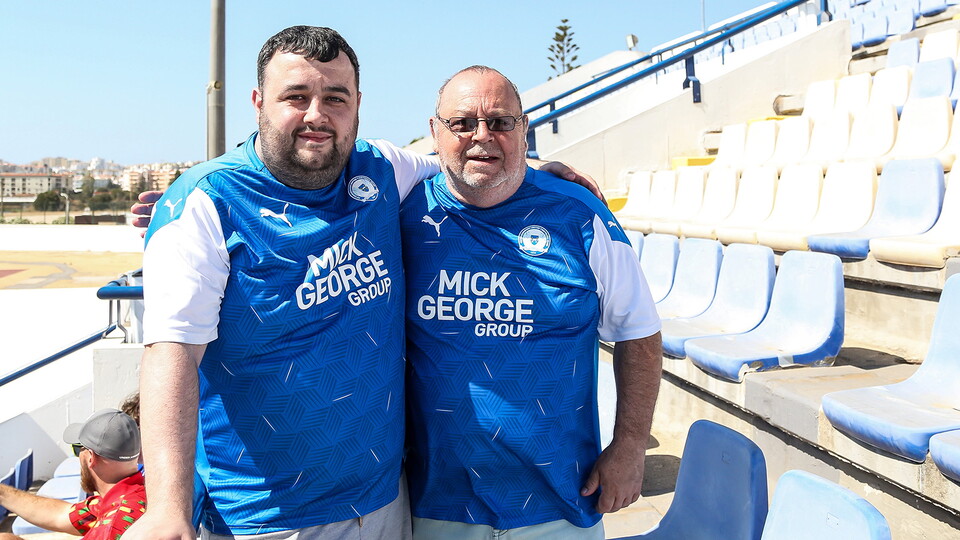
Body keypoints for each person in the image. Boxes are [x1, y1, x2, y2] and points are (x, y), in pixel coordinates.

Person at [128, 26, 594, 540]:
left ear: (357, 105)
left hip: (384, 502)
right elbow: (171, 353)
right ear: (258, 101)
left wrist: (536, 167)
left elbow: (462, 163)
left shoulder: (382, 170)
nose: (316, 115)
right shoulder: (206, 203)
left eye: (335, 98)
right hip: (267, 517)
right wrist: (167, 508)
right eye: (296, 97)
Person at [399, 66, 662, 539]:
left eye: (500, 122)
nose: (482, 136)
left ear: (524, 131)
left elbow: (638, 331)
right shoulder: (400, 214)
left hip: (560, 499)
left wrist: (630, 448)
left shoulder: (580, 213)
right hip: (437, 504)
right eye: (462, 124)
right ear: (434, 133)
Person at [0, 409, 145, 540]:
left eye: (78, 449)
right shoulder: (134, 495)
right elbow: (59, 515)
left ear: (91, 457)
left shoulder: (112, 527)